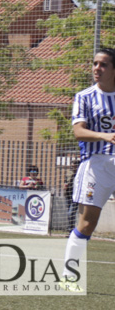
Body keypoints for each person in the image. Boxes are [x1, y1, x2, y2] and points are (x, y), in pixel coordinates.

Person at [63, 48, 115, 286]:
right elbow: (78, 131)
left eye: (103, 64)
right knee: (87, 222)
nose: (97, 68)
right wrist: (105, 136)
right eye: (95, 64)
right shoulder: (84, 96)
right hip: (96, 165)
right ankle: (68, 274)